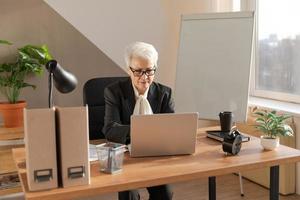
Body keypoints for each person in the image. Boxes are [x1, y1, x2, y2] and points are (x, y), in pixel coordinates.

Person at [102, 41, 174, 200]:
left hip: (155, 154)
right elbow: (110, 129)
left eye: (149, 71)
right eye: (138, 71)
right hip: (125, 154)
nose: (144, 77)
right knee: (128, 195)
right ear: (129, 70)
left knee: (165, 194)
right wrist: (144, 130)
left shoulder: (165, 93)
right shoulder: (114, 92)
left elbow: (172, 129)